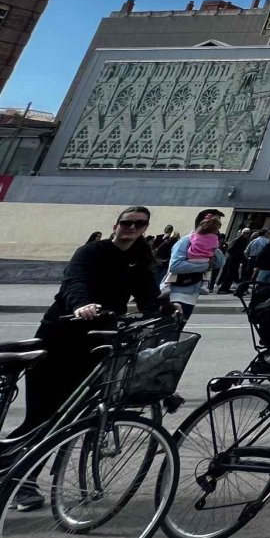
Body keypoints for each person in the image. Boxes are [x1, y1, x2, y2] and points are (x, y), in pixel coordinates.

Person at [8, 208, 167, 511]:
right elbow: (73, 281)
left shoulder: (138, 261)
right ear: (116, 225)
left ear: (145, 228)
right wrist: (81, 305)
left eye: (139, 224)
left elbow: (148, 297)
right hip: (60, 338)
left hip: (99, 345)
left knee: (74, 417)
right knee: (43, 416)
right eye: (127, 222)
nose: (132, 227)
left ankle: (40, 475)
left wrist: (164, 310)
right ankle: (21, 481)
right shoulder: (92, 251)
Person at [163, 213, 226, 321]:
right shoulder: (186, 241)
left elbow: (219, 263)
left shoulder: (210, 243)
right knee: (167, 330)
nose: (216, 230)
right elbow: (175, 266)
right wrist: (205, 265)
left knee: (176, 330)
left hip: (191, 295)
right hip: (176, 294)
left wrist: (213, 247)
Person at [218, 228, 253, 294]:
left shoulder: (244, 240)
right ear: (243, 233)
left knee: (231, 274)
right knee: (229, 274)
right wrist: (238, 254)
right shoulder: (238, 240)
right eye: (246, 233)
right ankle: (223, 289)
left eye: (248, 233)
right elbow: (230, 249)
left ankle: (226, 288)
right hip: (233, 259)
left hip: (236, 259)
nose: (247, 235)